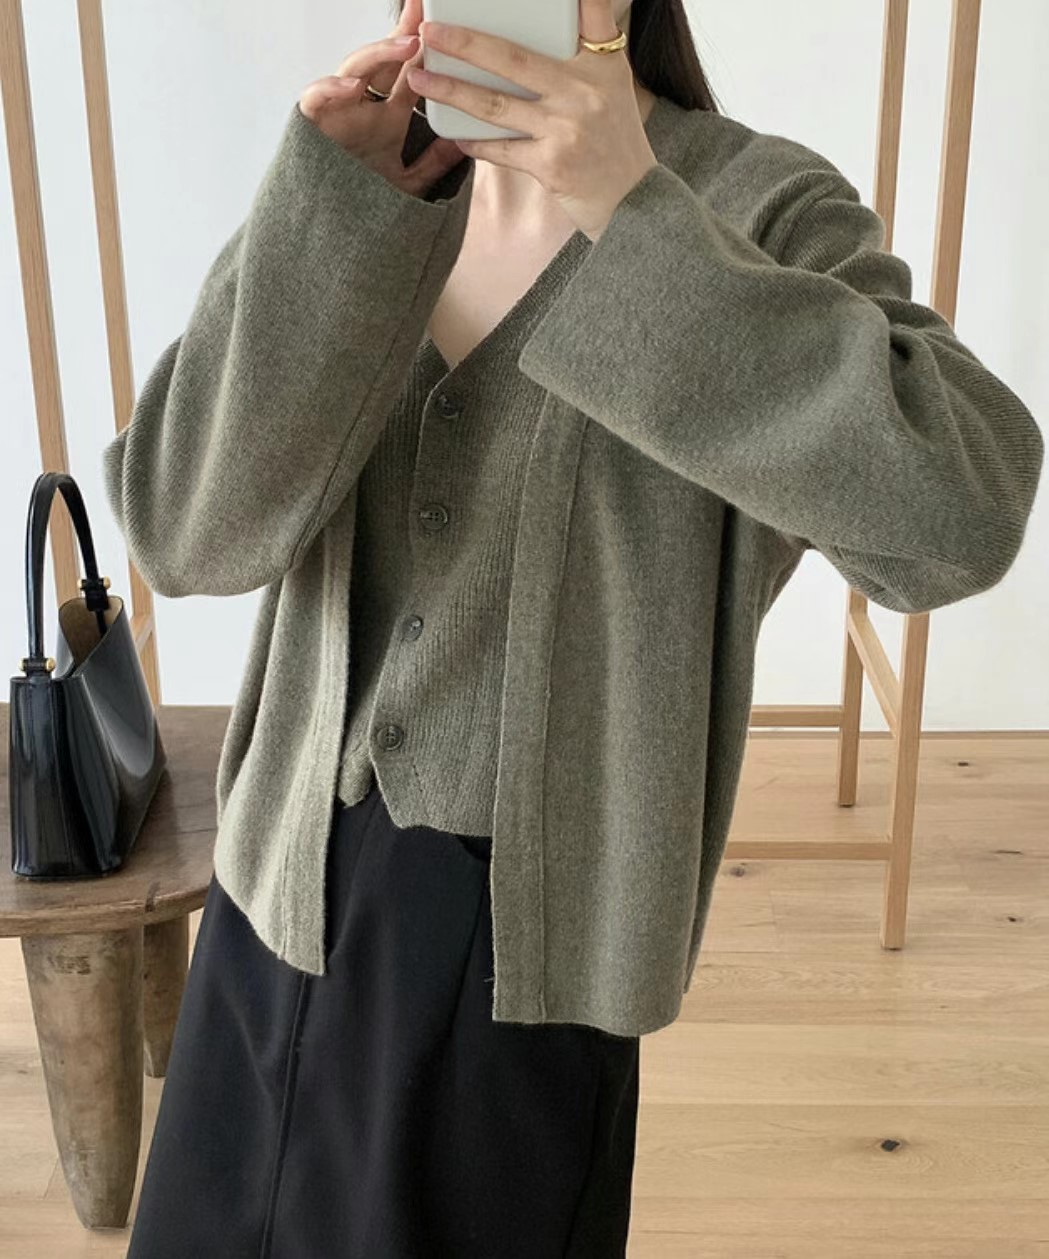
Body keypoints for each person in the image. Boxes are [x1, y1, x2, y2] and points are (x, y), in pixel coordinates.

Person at [111, 0, 1043, 1255]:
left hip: (527, 963)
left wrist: (631, 208)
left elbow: (958, 514)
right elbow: (181, 532)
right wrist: (317, 213)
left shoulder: (755, 206)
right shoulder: (366, 179)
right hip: (271, 890)